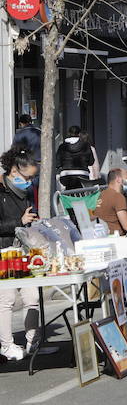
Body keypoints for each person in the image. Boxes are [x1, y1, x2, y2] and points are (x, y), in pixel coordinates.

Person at [0, 148, 42, 361]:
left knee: (32, 296)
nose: (30, 182)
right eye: (28, 178)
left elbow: (30, 215)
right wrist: (19, 221)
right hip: (5, 250)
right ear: (15, 171)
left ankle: (33, 341)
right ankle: (7, 345)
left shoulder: (25, 192)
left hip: (24, 249)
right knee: (6, 299)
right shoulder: (1, 190)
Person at [94, 167, 127, 236]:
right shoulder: (118, 197)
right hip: (117, 237)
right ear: (118, 179)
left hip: (104, 235)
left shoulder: (103, 194)